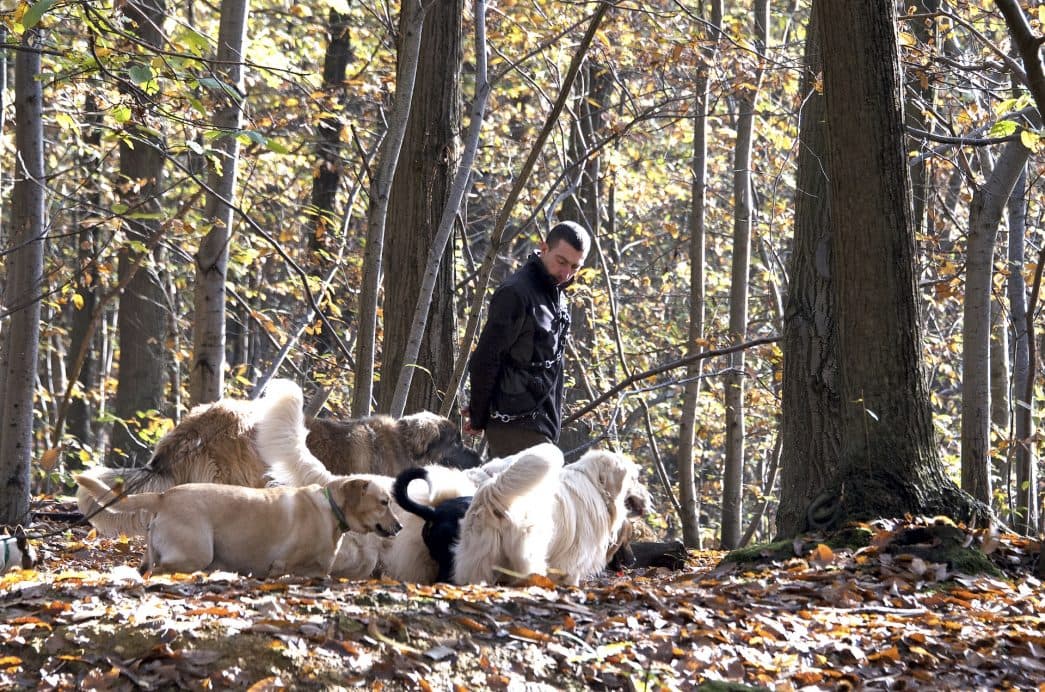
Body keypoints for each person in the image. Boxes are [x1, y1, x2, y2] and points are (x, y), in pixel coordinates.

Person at [464, 221, 591, 457]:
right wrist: (479, 413)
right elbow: (485, 359)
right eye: (561, 262)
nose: (566, 274)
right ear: (543, 249)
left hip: (542, 426)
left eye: (575, 266)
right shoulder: (515, 293)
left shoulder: (557, 296)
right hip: (513, 425)